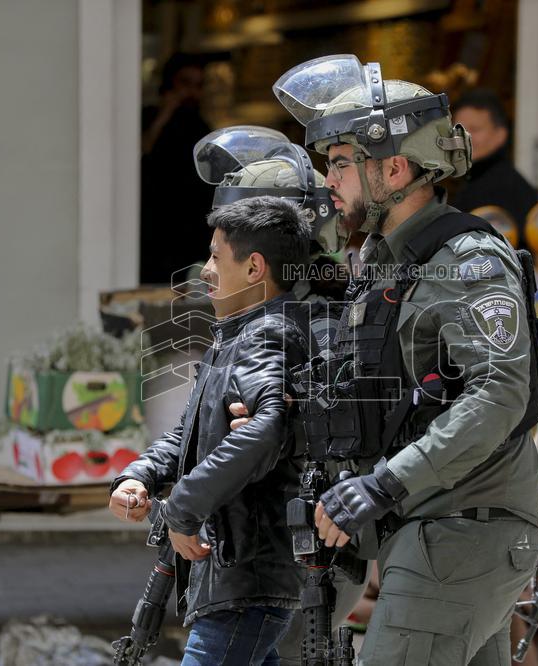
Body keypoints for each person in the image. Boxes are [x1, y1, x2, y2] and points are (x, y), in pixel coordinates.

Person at [267, 55, 538, 665]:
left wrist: (386, 481)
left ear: (393, 168)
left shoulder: (464, 259)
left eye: (340, 163)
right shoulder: (385, 262)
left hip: (460, 528)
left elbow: (498, 394)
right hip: (430, 527)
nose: (328, 180)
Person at [109, 196, 313, 665]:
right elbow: (189, 434)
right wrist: (136, 476)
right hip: (237, 576)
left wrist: (182, 508)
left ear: (254, 267)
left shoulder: (268, 334)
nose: (204, 270)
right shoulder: (238, 334)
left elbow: (265, 429)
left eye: (216, 257)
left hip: (246, 575)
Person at [192, 125, 366, 663]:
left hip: (297, 560)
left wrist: (278, 424)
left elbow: (321, 433)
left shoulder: (330, 319)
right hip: (255, 553)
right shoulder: (261, 317)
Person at [140, 53, 213, 285]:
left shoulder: (200, 127)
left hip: (190, 232)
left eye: (198, 85)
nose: (191, 92)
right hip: (154, 230)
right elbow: (142, 152)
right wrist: (166, 111)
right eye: (185, 83)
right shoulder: (150, 117)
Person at [450, 88, 538, 245]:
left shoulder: (502, 186)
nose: (464, 138)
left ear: (500, 135)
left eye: (475, 129)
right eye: (457, 130)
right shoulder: (475, 179)